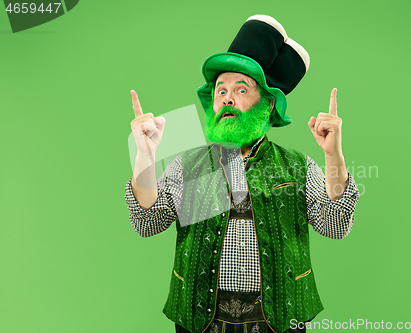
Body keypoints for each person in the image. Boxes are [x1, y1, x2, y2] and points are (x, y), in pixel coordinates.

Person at [125, 15, 360, 333]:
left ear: (267, 105)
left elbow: (335, 225)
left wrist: (333, 155)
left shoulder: (297, 165)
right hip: (201, 322)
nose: (227, 98)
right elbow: (147, 222)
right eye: (220, 91)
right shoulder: (190, 165)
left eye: (241, 89)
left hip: (278, 321)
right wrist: (145, 157)